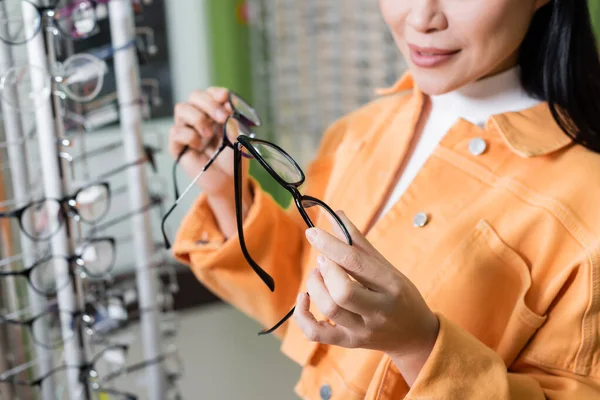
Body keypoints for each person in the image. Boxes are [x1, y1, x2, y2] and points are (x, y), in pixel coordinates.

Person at [168, 0, 600, 398]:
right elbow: (303, 302)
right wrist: (228, 193)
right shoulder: (359, 130)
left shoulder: (587, 198)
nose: (421, 19)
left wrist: (420, 346)